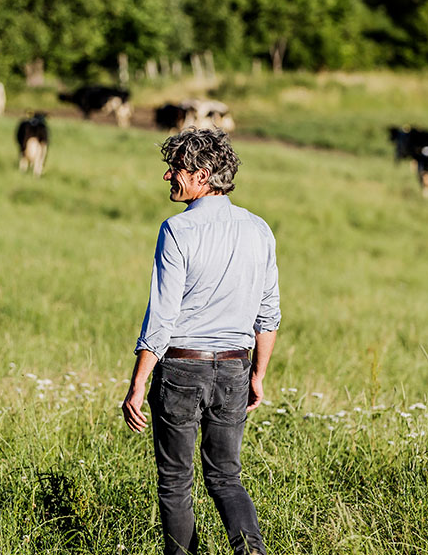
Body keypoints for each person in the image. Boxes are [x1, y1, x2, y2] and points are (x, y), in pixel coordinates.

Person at [121, 128, 280, 555]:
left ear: (204, 174)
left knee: (175, 482)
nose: (169, 175)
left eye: (177, 168)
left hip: (180, 369)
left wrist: (137, 385)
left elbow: (162, 316)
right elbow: (268, 314)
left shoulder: (177, 230)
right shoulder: (260, 229)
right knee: (226, 478)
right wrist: (258, 375)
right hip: (234, 367)